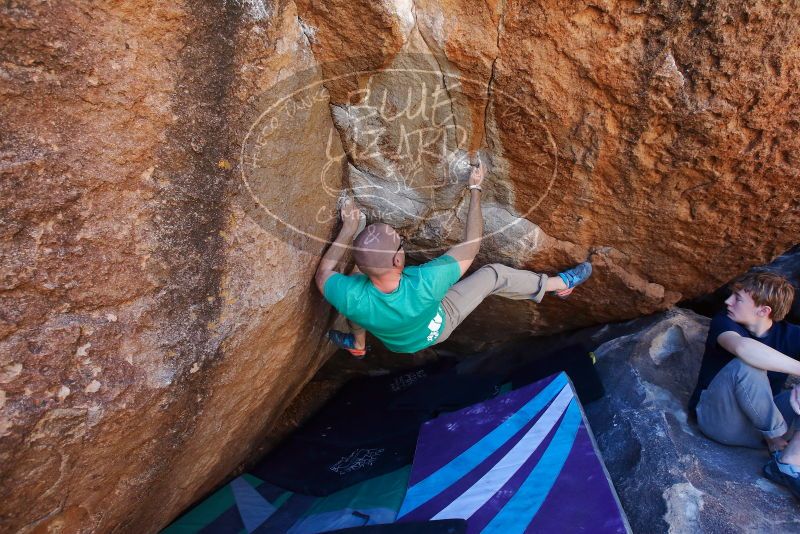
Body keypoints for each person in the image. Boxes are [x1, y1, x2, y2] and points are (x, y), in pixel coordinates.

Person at [313, 160, 592, 358]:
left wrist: (348, 230)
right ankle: (559, 285)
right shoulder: (426, 282)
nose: (402, 247)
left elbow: (323, 274)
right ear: (398, 262)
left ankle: (358, 344)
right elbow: (471, 245)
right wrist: (475, 189)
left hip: (397, 344)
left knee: (352, 299)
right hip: (438, 325)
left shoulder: (352, 294)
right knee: (494, 275)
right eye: (401, 246)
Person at [687, 271, 800, 498]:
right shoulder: (723, 321)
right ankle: (776, 440)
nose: (728, 302)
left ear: (763, 310)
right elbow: (743, 349)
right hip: (720, 421)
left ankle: (789, 462)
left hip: (759, 424)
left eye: (738, 299)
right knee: (746, 365)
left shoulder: (790, 334)